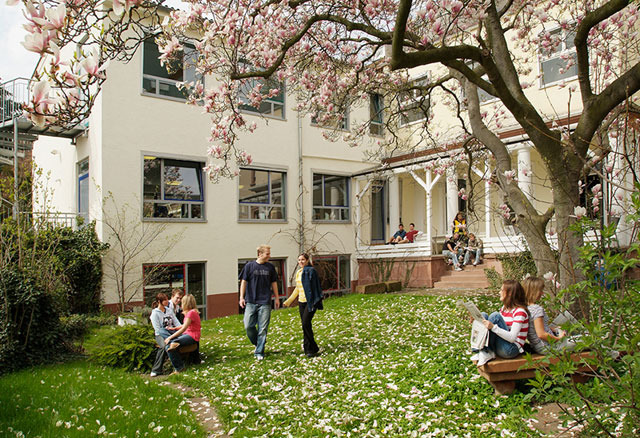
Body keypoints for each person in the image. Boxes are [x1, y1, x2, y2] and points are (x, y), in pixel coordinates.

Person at [239, 244, 280, 360]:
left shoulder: (270, 267)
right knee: (248, 326)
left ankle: (259, 352)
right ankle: (258, 343)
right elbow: (243, 282)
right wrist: (241, 297)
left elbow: (274, 283)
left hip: (265, 302)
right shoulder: (249, 266)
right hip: (251, 301)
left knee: (263, 328)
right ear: (260, 254)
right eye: (267, 254)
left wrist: (277, 298)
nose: (269, 256)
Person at [475, 280, 529, 366]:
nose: (499, 292)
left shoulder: (520, 312)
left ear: (510, 293)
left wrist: (493, 327)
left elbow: (512, 338)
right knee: (483, 315)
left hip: (511, 349)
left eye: (501, 290)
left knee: (495, 316)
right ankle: (481, 351)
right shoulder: (504, 308)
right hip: (500, 346)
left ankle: (485, 351)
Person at [283, 253, 324, 357]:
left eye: (303, 260)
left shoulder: (311, 271)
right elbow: (297, 288)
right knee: (305, 325)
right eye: (299, 260)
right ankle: (309, 350)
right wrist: (289, 301)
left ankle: (313, 347)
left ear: (307, 260)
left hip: (310, 302)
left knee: (306, 323)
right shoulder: (299, 272)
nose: (300, 262)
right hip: (301, 302)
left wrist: (316, 300)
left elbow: (316, 287)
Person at [523, 277, 575, 354]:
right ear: (534, 292)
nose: (542, 293)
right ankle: (584, 336)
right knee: (588, 339)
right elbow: (541, 334)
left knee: (567, 315)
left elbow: (535, 327)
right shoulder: (536, 309)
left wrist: (554, 329)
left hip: (537, 346)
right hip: (549, 347)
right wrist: (559, 338)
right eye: (540, 291)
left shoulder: (524, 307)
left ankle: (580, 335)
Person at [149, 293, 183, 376]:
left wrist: (181, 329)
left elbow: (176, 322)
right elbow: (157, 329)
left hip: (171, 332)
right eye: (164, 300)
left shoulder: (169, 310)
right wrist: (167, 337)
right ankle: (156, 370)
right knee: (164, 346)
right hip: (161, 335)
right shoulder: (155, 313)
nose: (167, 301)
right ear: (159, 301)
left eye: (167, 299)